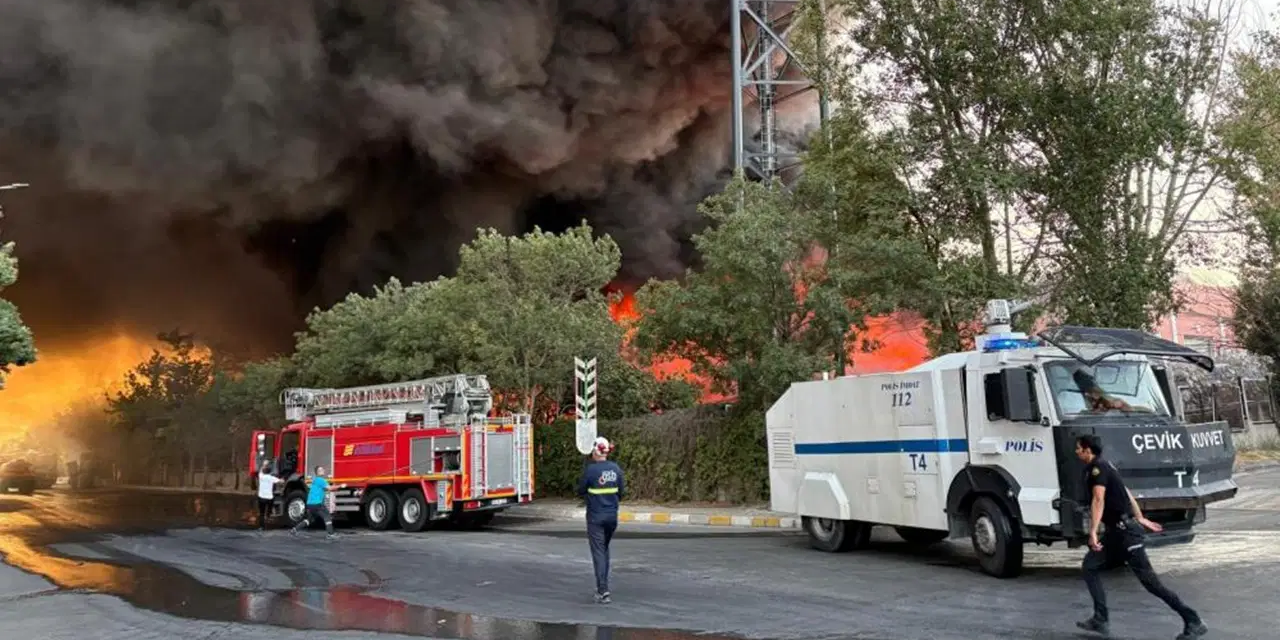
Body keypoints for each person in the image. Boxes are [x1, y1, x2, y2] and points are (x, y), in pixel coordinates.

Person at [1073, 435, 1207, 640]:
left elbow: (1098, 499)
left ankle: (1193, 620)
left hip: (1127, 535)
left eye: (1078, 449)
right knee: (1090, 566)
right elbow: (1127, 493)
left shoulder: (1098, 469)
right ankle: (1100, 619)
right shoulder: (1105, 466)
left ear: (1087, 450)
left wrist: (1092, 531)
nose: (1076, 452)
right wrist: (1140, 517)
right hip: (1115, 534)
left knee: (1152, 584)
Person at [576, 436, 624, 604]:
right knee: (604, 549)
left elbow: (581, 490)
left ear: (596, 451)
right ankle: (603, 585)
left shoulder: (591, 471)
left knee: (598, 552)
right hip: (612, 517)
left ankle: (603, 590)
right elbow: (621, 493)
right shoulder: (616, 469)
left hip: (595, 517)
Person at [290, 465, 345, 540]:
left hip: (310, 504)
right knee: (327, 516)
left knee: (310, 519)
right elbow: (330, 488)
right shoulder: (321, 480)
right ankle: (330, 534)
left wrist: (335, 488)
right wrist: (341, 486)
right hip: (317, 503)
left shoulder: (315, 480)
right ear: (318, 472)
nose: (323, 470)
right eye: (321, 470)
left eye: (323, 469)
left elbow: (327, 489)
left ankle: (295, 529)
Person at [256, 461, 281, 531]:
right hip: (269, 498)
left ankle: (261, 527)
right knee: (270, 507)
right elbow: (280, 481)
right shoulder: (272, 478)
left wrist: (264, 464)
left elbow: (260, 470)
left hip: (261, 498)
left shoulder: (261, 476)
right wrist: (283, 479)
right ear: (270, 472)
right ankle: (268, 515)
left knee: (261, 513)